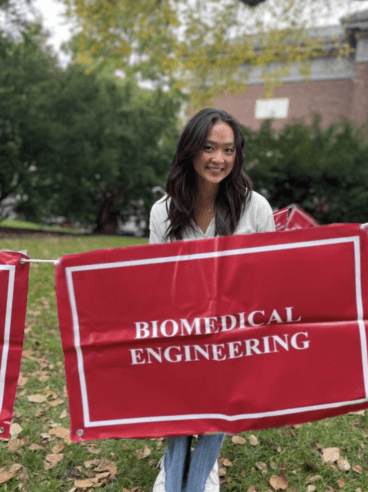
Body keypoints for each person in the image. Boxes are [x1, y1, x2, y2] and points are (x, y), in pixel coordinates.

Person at [149, 108, 275, 492]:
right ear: (190, 150)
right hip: (182, 325)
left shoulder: (256, 208)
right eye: (208, 147)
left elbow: (270, 277)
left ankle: (203, 464)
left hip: (237, 330)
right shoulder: (163, 211)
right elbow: (155, 282)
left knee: (222, 382)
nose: (219, 159)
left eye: (229, 150)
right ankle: (172, 468)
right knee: (178, 382)